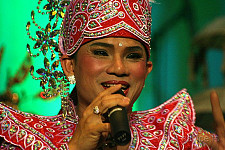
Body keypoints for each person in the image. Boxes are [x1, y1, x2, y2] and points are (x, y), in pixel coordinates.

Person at [0, 0, 225, 149]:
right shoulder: (19, 139)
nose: (118, 68)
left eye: (133, 55)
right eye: (101, 52)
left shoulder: (177, 140)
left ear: (146, 70)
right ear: (69, 65)